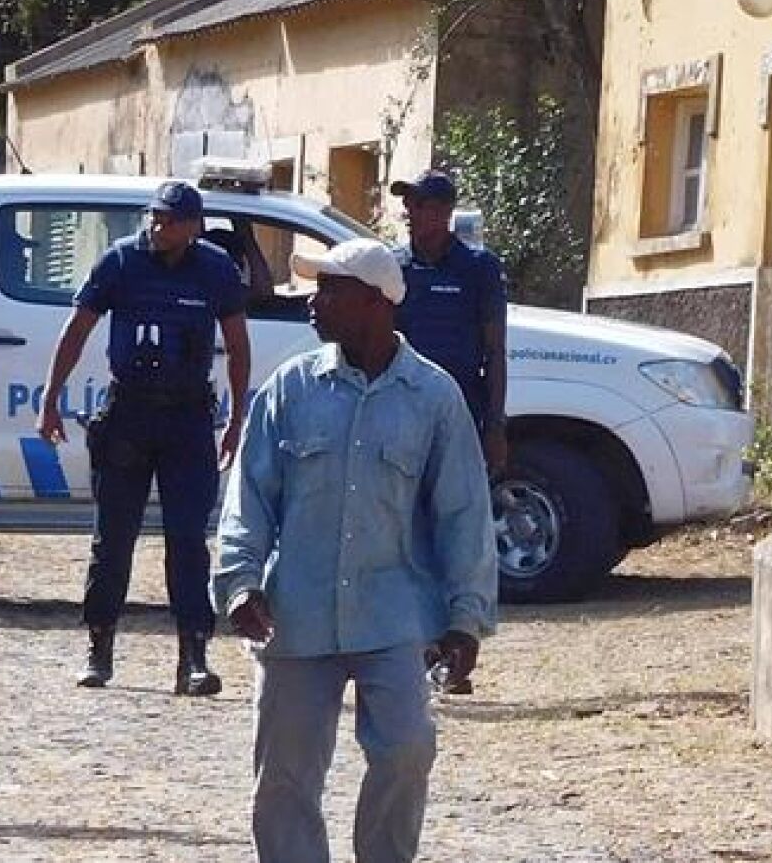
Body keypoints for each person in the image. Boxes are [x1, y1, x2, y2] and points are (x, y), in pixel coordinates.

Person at [212, 237, 496, 863]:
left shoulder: (433, 397)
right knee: (285, 776)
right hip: (295, 616)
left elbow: (463, 513)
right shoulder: (291, 390)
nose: (314, 303)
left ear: (374, 301)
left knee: (406, 749)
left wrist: (465, 618)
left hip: (394, 614)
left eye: (329, 290)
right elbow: (250, 496)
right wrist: (239, 582)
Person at [37, 179, 250, 695]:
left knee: (187, 540)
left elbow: (238, 345)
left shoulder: (215, 269)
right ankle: (100, 645)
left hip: (187, 418)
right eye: (155, 216)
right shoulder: (120, 262)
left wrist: (237, 420)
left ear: (195, 226)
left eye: (172, 219)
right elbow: (77, 327)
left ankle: (193, 657)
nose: (159, 227)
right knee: (113, 538)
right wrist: (50, 398)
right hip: (128, 412)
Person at [388, 170, 511, 476]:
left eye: (418, 204)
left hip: (460, 410)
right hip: (402, 411)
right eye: (407, 204)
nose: (408, 213)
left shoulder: (478, 267)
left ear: (444, 211)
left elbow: (495, 351)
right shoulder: (394, 265)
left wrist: (495, 427)